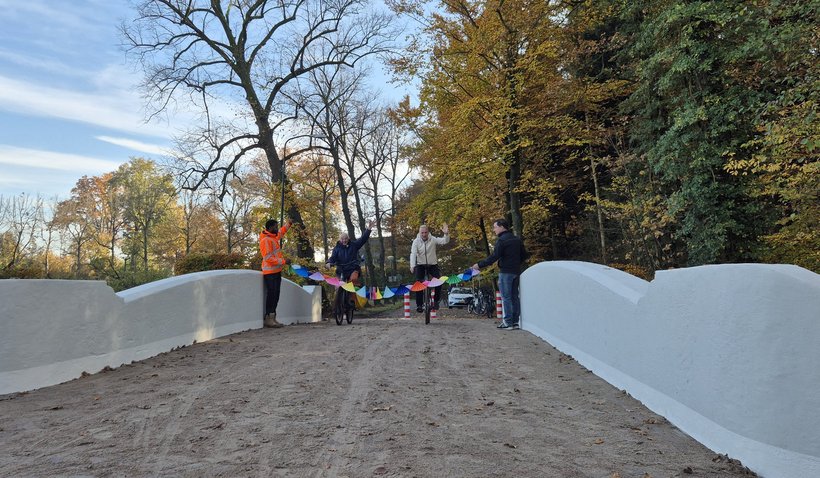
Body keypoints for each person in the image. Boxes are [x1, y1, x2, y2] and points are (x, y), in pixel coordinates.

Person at [472, 218, 528, 330]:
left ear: (502, 227)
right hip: (516, 271)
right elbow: (525, 256)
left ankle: (507, 322)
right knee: (514, 297)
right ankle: (515, 322)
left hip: (506, 272)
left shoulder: (502, 240)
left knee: (506, 297)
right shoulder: (517, 240)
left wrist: (479, 265)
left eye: (495, 227)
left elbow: (494, 257)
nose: (494, 230)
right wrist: (516, 263)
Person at [260, 218, 292, 328]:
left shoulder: (273, 238)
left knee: (276, 295)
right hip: (270, 272)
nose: (277, 228)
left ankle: (273, 317)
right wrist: (283, 261)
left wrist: (289, 224)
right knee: (272, 295)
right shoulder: (266, 240)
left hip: (276, 271)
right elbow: (268, 258)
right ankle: (268, 318)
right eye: (275, 226)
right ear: (270, 227)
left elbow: (282, 232)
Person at [410, 223, 449, 312]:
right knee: (419, 283)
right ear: (419, 233)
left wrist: (446, 234)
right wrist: (412, 265)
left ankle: (435, 301)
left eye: (425, 232)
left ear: (428, 232)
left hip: (432, 265)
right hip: (420, 265)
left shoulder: (433, 239)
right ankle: (419, 305)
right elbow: (413, 254)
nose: (424, 234)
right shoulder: (416, 241)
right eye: (422, 233)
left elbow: (444, 241)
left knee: (439, 281)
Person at [326, 219, 375, 284]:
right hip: (341, 270)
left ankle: (354, 291)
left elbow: (363, 239)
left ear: (348, 238)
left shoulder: (354, 245)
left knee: (353, 281)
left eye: (346, 238)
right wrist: (329, 262)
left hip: (352, 269)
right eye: (342, 239)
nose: (344, 240)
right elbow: (333, 257)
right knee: (338, 287)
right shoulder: (337, 248)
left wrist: (368, 229)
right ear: (340, 240)